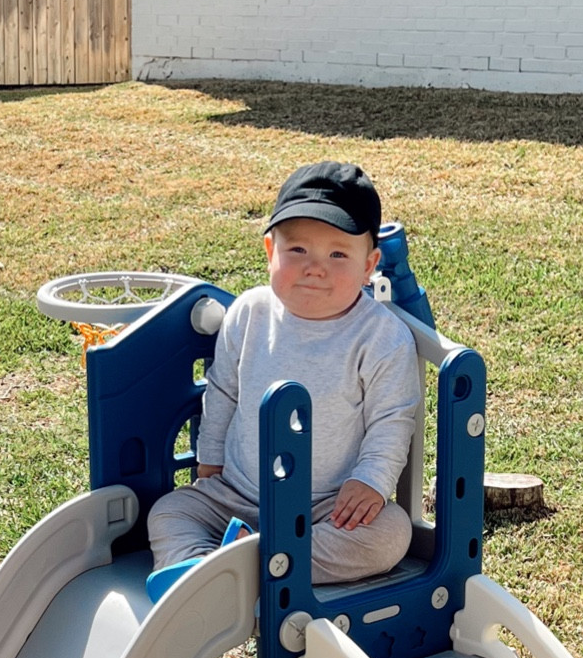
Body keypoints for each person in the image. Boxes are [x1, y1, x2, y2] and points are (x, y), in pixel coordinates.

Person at [147, 161, 419, 595]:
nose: (316, 268)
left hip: (325, 508)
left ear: (369, 266)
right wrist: (211, 460)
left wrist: (370, 480)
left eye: (337, 254)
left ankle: (240, 564)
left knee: (389, 534)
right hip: (236, 493)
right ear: (270, 251)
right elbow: (222, 391)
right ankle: (195, 571)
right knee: (168, 511)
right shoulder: (249, 313)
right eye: (298, 252)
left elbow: (393, 418)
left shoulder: (382, 337)